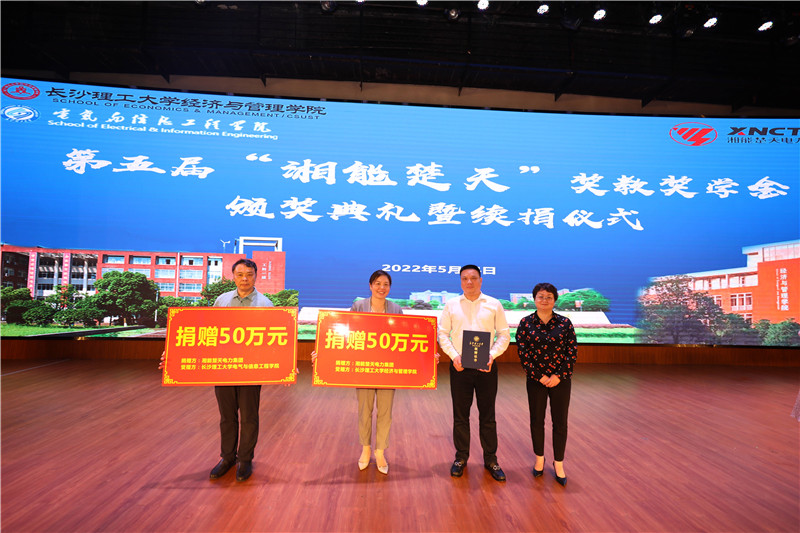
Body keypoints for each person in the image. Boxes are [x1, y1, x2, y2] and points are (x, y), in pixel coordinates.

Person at [159, 258, 274, 482]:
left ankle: (245, 459)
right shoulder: (221, 300)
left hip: (251, 369)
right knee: (227, 416)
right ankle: (227, 457)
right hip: (223, 368)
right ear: (233, 276)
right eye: (240, 274)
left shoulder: (265, 304)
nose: (244, 279)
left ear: (255, 276)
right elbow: (207, 334)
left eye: (249, 274)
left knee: (249, 417)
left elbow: (273, 340)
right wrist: (174, 355)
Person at [312, 269, 405, 475]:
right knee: (364, 410)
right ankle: (366, 449)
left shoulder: (396, 309)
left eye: (386, 284)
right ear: (370, 285)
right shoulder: (359, 306)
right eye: (377, 283)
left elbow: (404, 340)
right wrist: (322, 353)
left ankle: (380, 452)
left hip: (388, 369)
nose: (382, 288)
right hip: (363, 368)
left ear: (390, 287)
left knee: (385, 412)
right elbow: (345, 334)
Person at [437, 264, 510, 482]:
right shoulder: (451, 305)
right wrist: (454, 356)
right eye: (464, 278)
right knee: (460, 416)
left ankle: (491, 459)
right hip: (460, 367)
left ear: (480, 280)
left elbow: (504, 334)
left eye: (473, 278)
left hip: (486, 367)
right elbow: (443, 334)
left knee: (488, 416)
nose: (469, 282)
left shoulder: (494, 304)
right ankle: (461, 458)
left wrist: (492, 355)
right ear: (460, 281)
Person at [515, 282, 577, 487]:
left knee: (560, 423)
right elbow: (523, 354)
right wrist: (539, 376)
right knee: (537, 420)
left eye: (549, 297)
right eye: (540, 296)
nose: (544, 300)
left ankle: (558, 463)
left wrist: (559, 375)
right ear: (534, 299)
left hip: (561, 380)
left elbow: (571, 352)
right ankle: (539, 459)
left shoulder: (565, 323)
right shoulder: (526, 323)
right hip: (536, 380)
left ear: (555, 300)